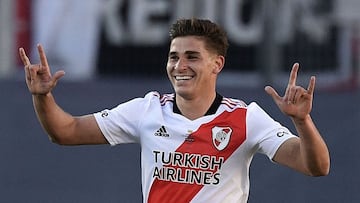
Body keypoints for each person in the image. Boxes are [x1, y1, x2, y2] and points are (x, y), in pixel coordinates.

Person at [19, 18, 330, 203]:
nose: (179, 66)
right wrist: (42, 97)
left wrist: (301, 121)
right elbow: (65, 131)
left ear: (216, 64)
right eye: (173, 57)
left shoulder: (246, 118)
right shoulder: (147, 110)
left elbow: (316, 167)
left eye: (192, 57)